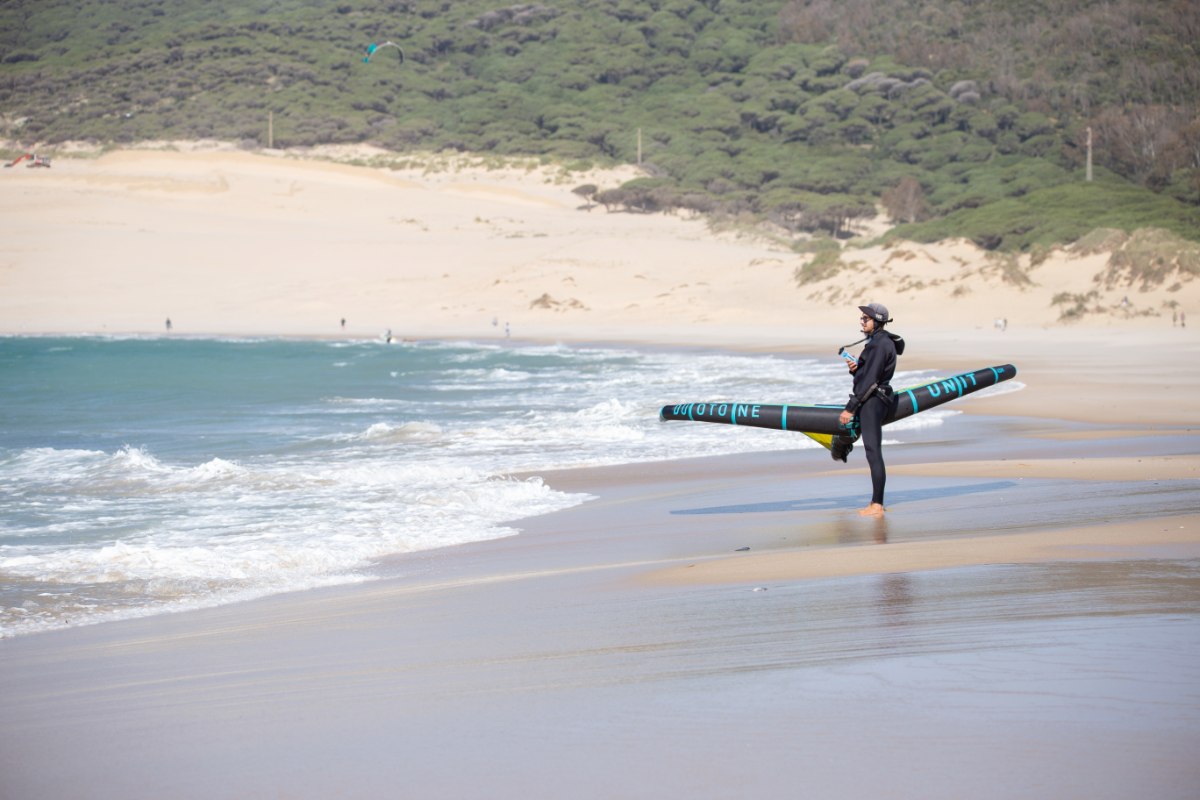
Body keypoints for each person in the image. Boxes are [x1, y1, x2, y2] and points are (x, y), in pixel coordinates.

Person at [837, 302, 899, 517]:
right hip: (874, 397)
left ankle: (877, 505)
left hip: (873, 402)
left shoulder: (880, 344)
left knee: (873, 451)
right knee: (872, 451)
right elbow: (870, 375)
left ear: (877, 321)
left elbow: (871, 381)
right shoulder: (879, 342)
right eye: (862, 318)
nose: (862, 321)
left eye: (866, 318)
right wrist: (856, 370)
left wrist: (850, 408)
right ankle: (875, 502)